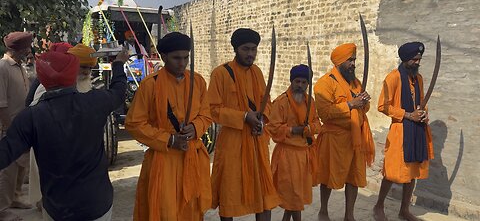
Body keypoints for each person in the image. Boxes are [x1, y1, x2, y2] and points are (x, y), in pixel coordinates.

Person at [0, 48, 128, 221]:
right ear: (73, 73)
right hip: (97, 205)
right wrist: (118, 64)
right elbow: (119, 91)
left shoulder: (31, 116)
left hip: (57, 209)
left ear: (42, 78)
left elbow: (6, 152)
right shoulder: (96, 102)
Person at [125, 32, 212, 221]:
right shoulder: (150, 85)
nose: (182, 63)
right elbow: (134, 123)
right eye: (176, 58)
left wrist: (196, 127)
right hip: (164, 160)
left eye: (186, 57)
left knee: (192, 211)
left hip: (192, 156)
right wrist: (169, 139)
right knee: (166, 210)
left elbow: (206, 114)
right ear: (164, 58)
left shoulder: (197, 81)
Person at [208, 28, 279, 221]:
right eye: (245, 49)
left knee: (264, 193)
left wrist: (261, 119)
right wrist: (244, 116)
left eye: (254, 49)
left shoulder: (257, 72)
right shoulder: (220, 74)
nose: (250, 54)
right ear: (236, 49)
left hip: (257, 141)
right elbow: (212, 109)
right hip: (232, 144)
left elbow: (267, 102)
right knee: (230, 192)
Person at [27, 42, 98, 213]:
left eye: (89, 68)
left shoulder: (88, 84)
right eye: (83, 67)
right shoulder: (48, 86)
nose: (87, 72)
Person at [313, 43, 375, 221]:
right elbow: (325, 113)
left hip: (355, 138)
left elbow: (365, 108)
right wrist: (350, 105)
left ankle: (349, 215)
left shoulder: (356, 83)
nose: (353, 64)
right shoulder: (324, 84)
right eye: (350, 60)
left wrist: (364, 101)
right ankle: (323, 211)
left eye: (354, 60)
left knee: (354, 177)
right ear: (339, 62)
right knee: (328, 177)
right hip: (334, 138)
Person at [373, 42, 434, 221]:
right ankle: (379, 206)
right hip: (400, 131)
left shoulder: (419, 79)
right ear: (406, 59)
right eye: (415, 59)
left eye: (419, 59)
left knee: (413, 171)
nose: (417, 62)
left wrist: (423, 114)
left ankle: (404, 210)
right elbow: (382, 105)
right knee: (391, 172)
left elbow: (422, 102)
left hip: (417, 130)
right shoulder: (393, 78)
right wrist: (408, 115)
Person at [267, 64, 321, 221]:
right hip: (287, 156)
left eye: (304, 82)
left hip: (304, 155)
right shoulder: (281, 102)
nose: (300, 86)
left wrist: (309, 128)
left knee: (296, 196)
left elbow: (317, 123)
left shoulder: (310, 101)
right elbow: (273, 128)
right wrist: (293, 130)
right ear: (291, 81)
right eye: (297, 81)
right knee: (294, 196)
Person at [0, 32, 33, 221]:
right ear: (16, 49)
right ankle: (2, 209)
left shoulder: (19, 66)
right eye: (26, 48)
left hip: (21, 126)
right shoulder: (3, 67)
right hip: (8, 127)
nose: (29, 51)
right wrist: (9, 129)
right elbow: (1, 104)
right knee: (7, 170)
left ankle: (15, 198)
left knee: (21, 165)